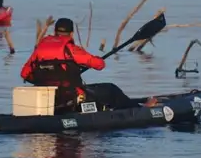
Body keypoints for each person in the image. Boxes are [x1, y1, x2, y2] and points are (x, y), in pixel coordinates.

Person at [19, 17, 157, 113]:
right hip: (71, 96)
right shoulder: (71, 49)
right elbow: (99, 65)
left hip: (48, 97)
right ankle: (141, 109)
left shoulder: (40, 49)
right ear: (71, 34)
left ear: (54, 32)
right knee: (111, 89)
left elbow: (24, 74)